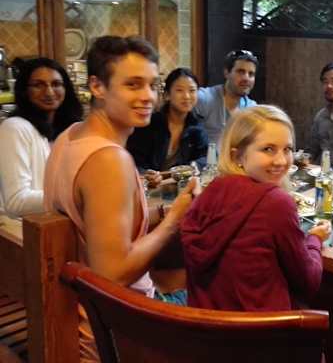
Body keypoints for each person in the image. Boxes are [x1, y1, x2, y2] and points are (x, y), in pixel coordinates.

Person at [43, 36, 199, 362]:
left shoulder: (70, 135)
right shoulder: (109, 160)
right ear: (97, 86)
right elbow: (113, 273)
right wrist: (174, 221)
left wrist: (166, 210)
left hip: (78, 309)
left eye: (153, 85)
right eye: (132, 84)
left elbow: (97, 224)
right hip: (117, 332)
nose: (148, 96)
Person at [181, 105, 331, 311]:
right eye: (268, 149)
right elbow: (308, 282)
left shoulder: (209, 192)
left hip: (205, 324)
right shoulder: (276, 204)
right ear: (237, 156)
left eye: (287, 149)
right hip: (260, 328)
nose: (281, 161)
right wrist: (315, 239)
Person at [0, 57, 82, 223]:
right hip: (23, 231)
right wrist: (78, 197)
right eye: (38, 85)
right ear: (24, 91)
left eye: (56, 84)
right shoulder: (15, 128)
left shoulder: (69, 130)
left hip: (59, 226)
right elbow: (16, 201)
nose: (49, 92)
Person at [127, 67, 208, 186]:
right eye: (179, 90)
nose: (187, 96)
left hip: (178, 187)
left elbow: (205, 156)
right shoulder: (149, 124)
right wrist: (147, 174)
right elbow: (133, 161)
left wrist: (194, 166)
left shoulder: (196, 126)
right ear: (167, 95)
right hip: (146, 188)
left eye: (192, 90)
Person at [194, 49, 258, 145]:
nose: (246, 78)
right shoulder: (203, 98)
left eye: (251, 74)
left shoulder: (252, 109)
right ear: (226, 73)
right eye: (241, 72)